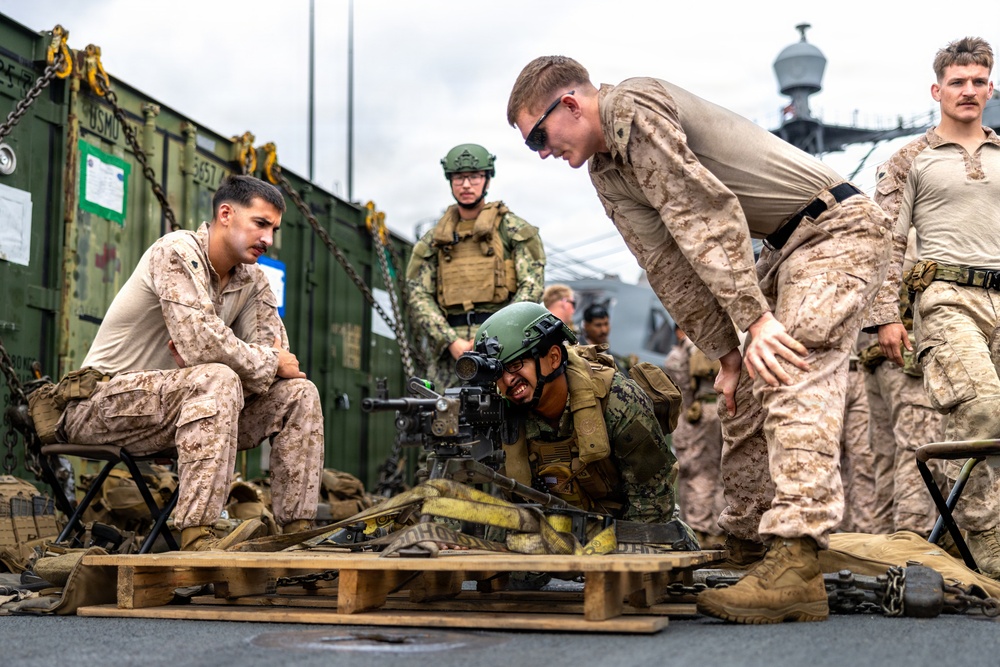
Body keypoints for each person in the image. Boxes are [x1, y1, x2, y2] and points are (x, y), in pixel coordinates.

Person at [507, 56, 892, 623]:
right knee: (744, 394)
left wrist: (756, 322)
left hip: (835, 228)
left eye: (539, 135)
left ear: (569, 104)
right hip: (783, 250)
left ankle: (798, 555)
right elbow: (667, 264)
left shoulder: (632, 108)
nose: (541, 151)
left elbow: (704, 214)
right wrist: (728, 351)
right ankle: (753, 544)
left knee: (790, 361)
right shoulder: (607, 172)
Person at [58, 175, 324, 551]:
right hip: (99, 406)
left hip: (183, 407)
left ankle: (297, 533)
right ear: (226, 214)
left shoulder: (254, 281)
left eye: (274, 229)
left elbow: (276, 365)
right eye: (260, 224)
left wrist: (232, 358)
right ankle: (197, 536)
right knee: (216, 377)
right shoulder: (177, 252)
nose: (268, 239)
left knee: (299, 393)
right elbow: (211, 346)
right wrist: (234, 360)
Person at [870, 37, 1000, 576]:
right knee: (983, 411)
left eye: (978, 81)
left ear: (990, 88)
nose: (968, 91)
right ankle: (987, 545)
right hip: (946, 299)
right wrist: (885, 318)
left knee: (981, 426)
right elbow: (883, 244)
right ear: (937, 90)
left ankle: (953, 533)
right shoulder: (909, 160)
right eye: (957, 82)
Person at [475, 302, 681, 525]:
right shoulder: (501, 416)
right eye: (498, 371)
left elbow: (652, 506)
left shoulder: (617, 400)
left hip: (626, 533)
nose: (507, 380)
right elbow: (499, 505)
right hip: (549, 538)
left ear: (553, 358)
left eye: (516, 365)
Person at [406, 143, 546, 391]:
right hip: (451, 352)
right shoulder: (434, 239)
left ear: (487, 180)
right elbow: (417, 293)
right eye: (459, 177)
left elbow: (531, 286)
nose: (466, 185)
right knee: (444, 417)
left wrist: (499, 333)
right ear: (450, 181)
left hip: (503, 345)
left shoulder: (513, 229)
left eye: (474, 176)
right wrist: (451, 341)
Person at [663, 327, 725, 548]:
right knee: (724, 472)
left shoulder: (677, 356)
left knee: (698, 473)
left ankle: (697, 529)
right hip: (725, 411)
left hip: (697, 416)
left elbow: (681, 395)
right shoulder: (723, 343)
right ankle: (720, 529)